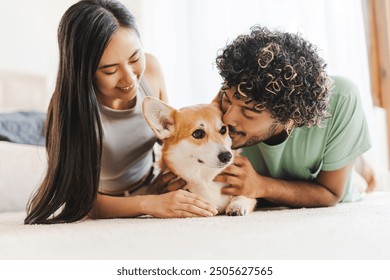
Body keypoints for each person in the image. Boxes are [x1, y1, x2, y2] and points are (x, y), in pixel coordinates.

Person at [24, 0, 217, 224]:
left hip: (153, 185)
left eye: (135, 58)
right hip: (107, 203)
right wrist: (149, 203)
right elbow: (81, 203)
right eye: (110, 70)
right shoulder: (69, 106)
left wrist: (167, 183)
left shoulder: (152, 71)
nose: (129, 79)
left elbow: (169, 139)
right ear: (84, 71)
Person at [213, 25, 372, 208]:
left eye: (248, 111)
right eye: (227, 99)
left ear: (289, 117)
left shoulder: (342, 98)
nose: (227, 119)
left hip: (320, 166)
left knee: (361, 183)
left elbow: (331, 193)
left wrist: (261, 186)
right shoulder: (239, 90)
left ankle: (360, 166)